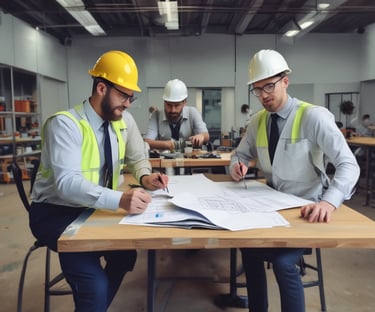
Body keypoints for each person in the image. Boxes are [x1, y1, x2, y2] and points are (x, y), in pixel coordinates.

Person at [29, 50, 168, 312]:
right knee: (94, 287)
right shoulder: (66, 125)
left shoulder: (122, 120)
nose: (128, 103)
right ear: (101, 88)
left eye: (131, 97)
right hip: (56, 213)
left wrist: (146, 176)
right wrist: (121, 199)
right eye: (124, 95)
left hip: (93, 209)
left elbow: (138, 158)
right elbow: (67, 184)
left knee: (125, 254)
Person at [230, 49, 360, 312]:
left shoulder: (314, 116)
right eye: (257, 89)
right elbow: (239, 154)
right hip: (271, 208)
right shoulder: (257, 122)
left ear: (285, 81)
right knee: (249, 250)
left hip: (306, 210)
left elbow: (349, 164)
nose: (263, 95)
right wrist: (237, 165)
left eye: (269, 86)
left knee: (283, 263)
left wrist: (329, 202)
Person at [144, 79, 210, 151]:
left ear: (184, 102)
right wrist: (168, 144)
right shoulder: (156, 116)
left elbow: (206, 136)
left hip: (190, 160)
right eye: (169, 105)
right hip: (165, 161)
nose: (173, 110)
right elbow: (147, 141)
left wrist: (201, 136)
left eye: (177, 105)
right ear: (164, 102)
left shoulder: (192, 112)